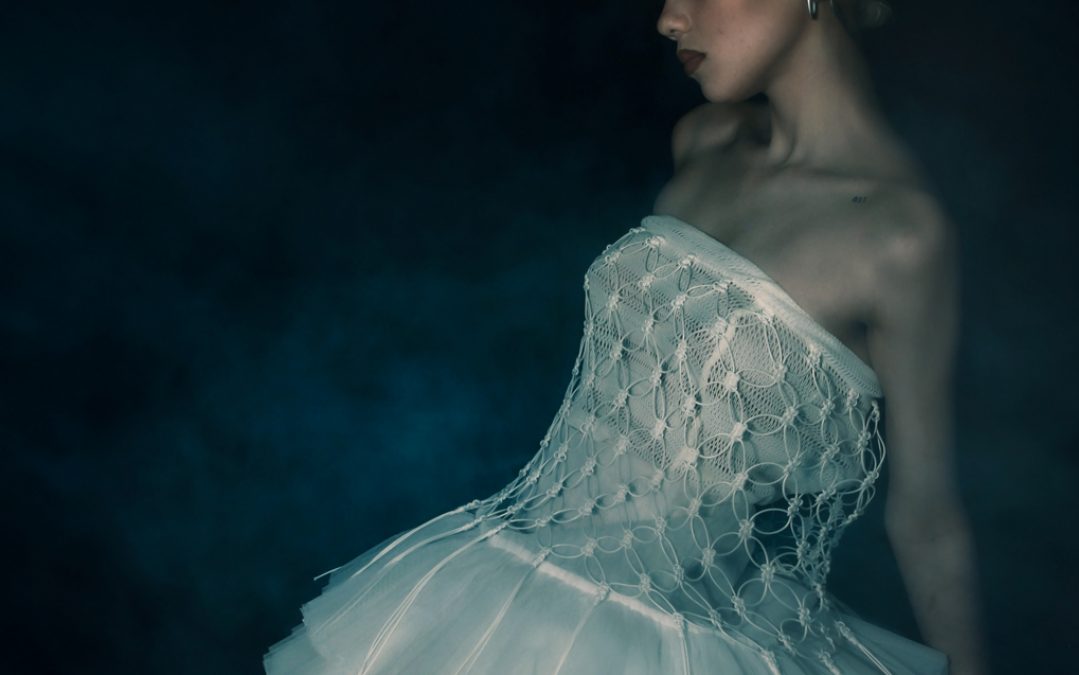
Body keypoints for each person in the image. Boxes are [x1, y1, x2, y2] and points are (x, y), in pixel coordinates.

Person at [263, 1, 989, 673]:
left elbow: (926, 516)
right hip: (500, 593)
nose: (669, 19)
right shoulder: (705, 141)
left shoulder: (901, 237)